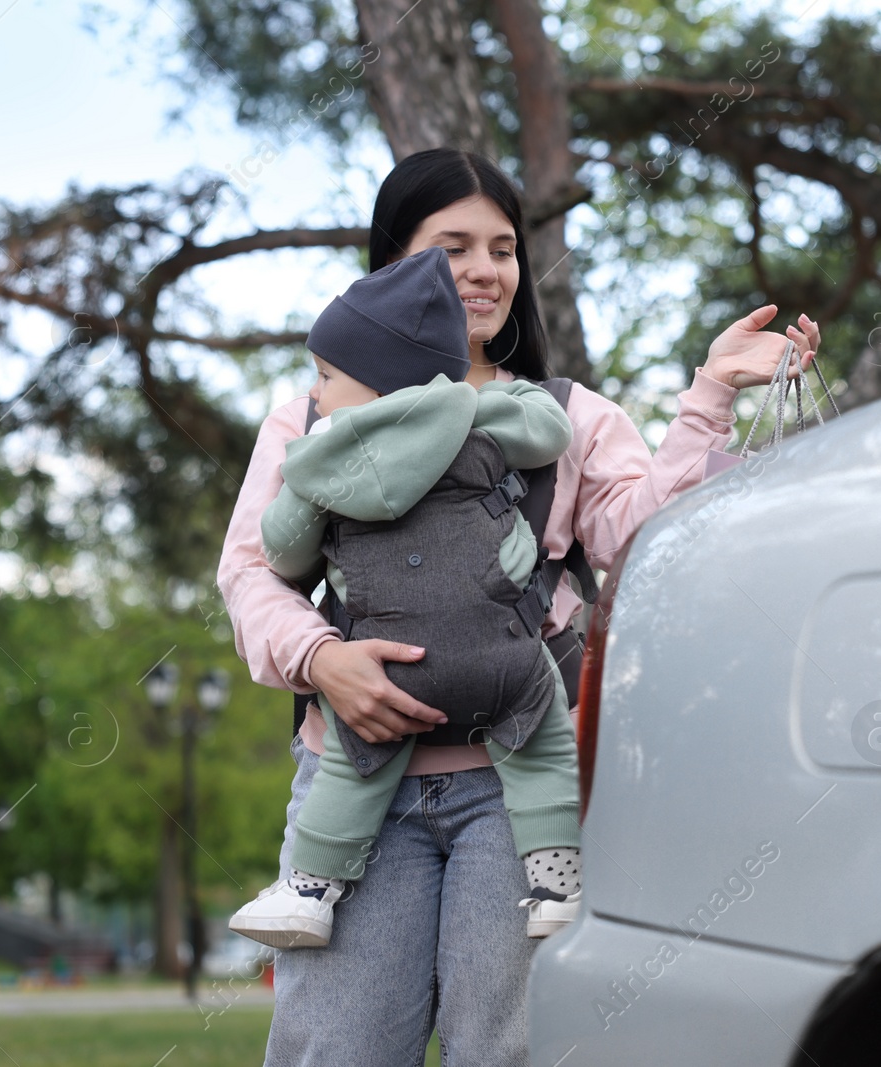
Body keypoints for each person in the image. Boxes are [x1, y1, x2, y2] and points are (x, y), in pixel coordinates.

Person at [217, 146, 821, 1066]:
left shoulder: (564, 416)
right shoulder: (314, 420)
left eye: (501, 247)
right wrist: (319, 658)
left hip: (520, 792)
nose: (485, 269)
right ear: (392, 264)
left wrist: (710, 393)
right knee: (334, 1048)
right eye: (453, 245)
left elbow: (642, 544)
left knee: (507, 1049)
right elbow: (254, 572)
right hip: (355, 791)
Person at [228, 247, 584, 952]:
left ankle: (310, 889)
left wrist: (308, 487)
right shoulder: (478, 419)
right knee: (543, 748)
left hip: (388, 667)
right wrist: (470, 397)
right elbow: (551, 432)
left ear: (373, 378)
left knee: (351, 766)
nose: (318, 393)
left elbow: (281, 553)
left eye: (327, 375)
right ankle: (558, 885)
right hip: (504, 651)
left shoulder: (319, 458)